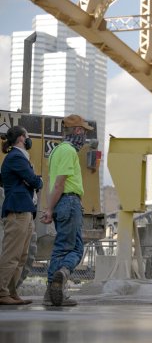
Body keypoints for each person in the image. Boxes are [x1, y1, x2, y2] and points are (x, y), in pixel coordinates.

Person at [41, 114, 93, 306]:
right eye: (84, 132)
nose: (85, 137)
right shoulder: (69, 152)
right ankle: (62, 274)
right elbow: (60, 183)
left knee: (65, 248)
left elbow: (51, 183)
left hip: (62, 203)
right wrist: (50, 207)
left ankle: (51, 293)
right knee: (72, 249)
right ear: (78, 131)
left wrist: (49, 208)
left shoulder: (55, 152)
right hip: (70, 202)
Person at [0, 126, 42, 305]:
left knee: (22, 256)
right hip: (17, 211)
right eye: (28, 135)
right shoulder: (16, 157)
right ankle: (2, 293)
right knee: (12, 254)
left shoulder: (21, 157)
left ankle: (11, 292)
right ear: (21, 139)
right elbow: (35, 181)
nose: (29, 139)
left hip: (25, 211)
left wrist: (31, 179)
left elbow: (30, 180)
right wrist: (35, 179)